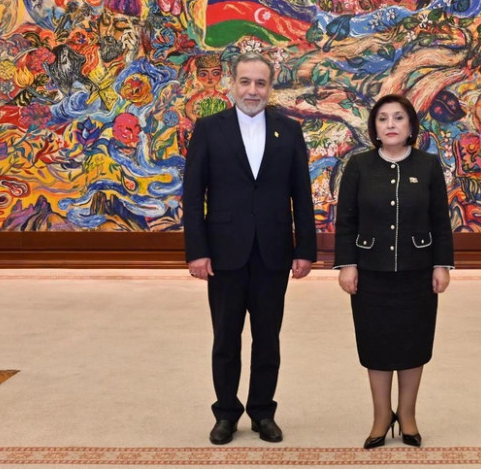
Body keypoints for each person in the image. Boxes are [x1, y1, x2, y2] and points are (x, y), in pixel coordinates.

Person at [182, 51, 317, 445]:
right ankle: (226, 414)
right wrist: (197, 251)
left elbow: (301, 195)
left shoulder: (288, 131)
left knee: (267, 339)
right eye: (245, 82)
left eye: (260, 83)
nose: (252, 90)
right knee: (226, 339)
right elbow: (193, 195)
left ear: (270, 87)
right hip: (224, 252)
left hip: (273, 252)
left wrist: (305, 249)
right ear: (232, 84)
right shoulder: (209, 129)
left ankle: (262, 412)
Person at [334, 94, 453, 449]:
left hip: (418, 271)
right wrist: (347, 264)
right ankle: (381, 416)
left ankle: (408, 414)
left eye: (398, 118)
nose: (390, 125)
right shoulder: (358, 166)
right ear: (374, 128)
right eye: (383, 118)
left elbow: (440, 221)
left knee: (414, 343)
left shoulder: (428, 166)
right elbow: (346, 221)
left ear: (411, 126)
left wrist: (442, 264)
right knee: (376, 344)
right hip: (370, 272)